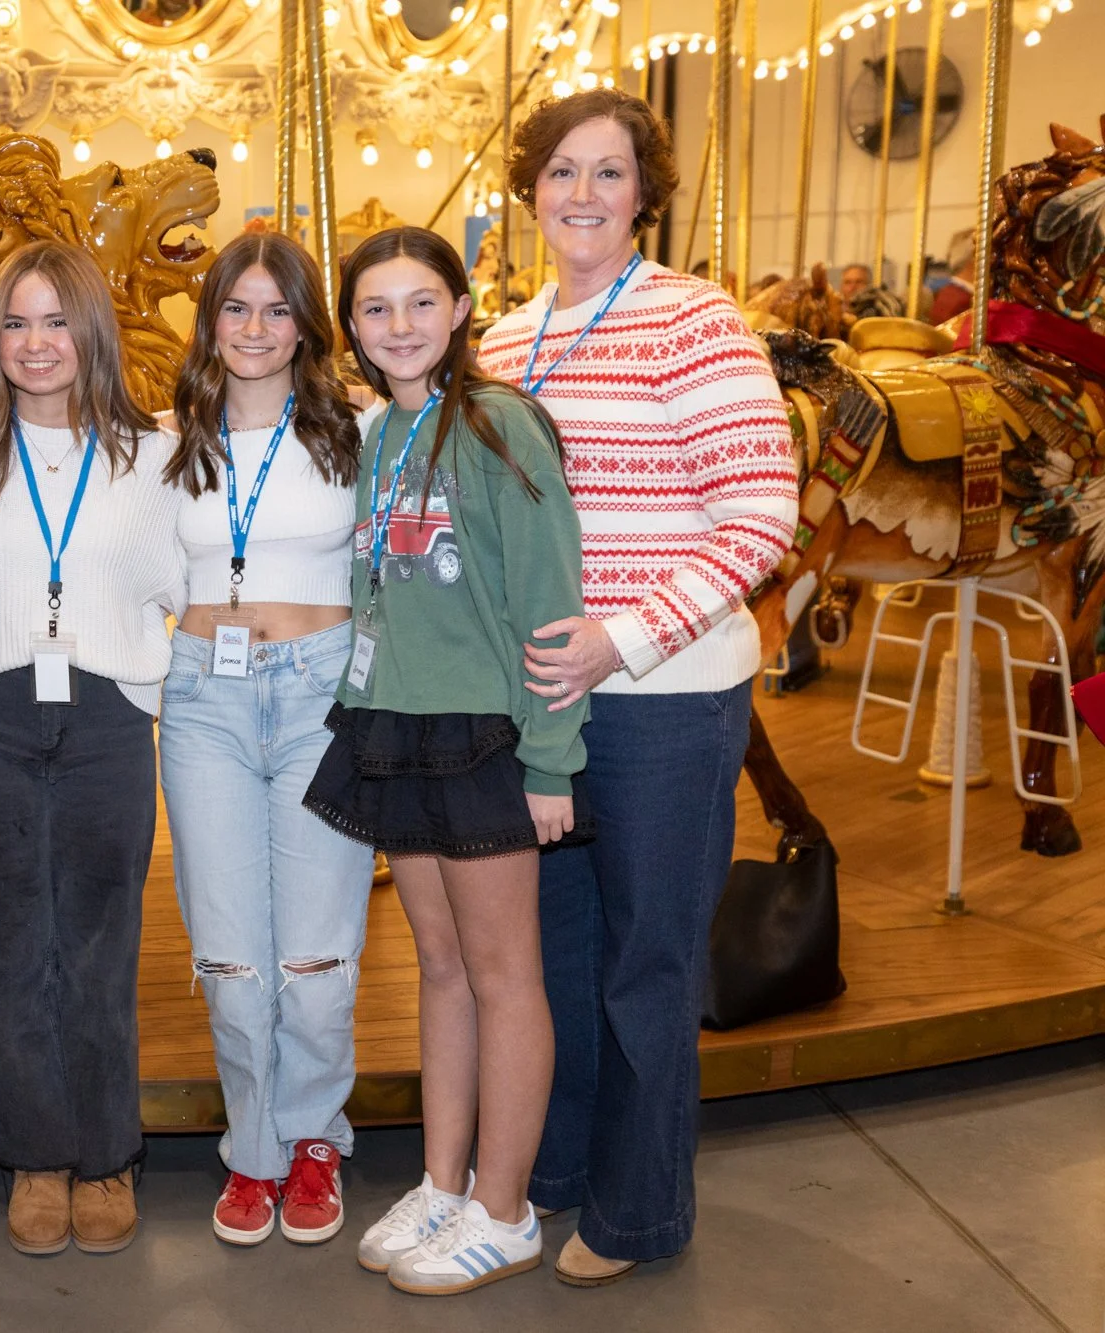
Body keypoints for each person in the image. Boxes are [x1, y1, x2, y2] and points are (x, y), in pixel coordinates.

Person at [478, 87, 799, 1286]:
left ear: (643, 194)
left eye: (606, 172)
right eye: (560, 170)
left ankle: (638, 1209)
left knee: (646, 960)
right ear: (529, 190)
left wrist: (624, 636)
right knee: (555, 955)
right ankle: (559, 1165)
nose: (581, 193)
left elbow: (758, 513)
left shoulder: (694, 319)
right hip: (540, 705)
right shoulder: (502, 340)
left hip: (662, 697)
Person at [303, 227, 587, 1297]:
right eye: (374, 309)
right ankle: (442, 1180)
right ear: (352, 325)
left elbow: (550, 601)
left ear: (461, 308)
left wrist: (550, 761)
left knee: (505, 973)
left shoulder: (500, 423)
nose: (399, 326)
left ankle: (505, 1209)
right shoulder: (381, 431)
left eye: (420, 302)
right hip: (396, 725)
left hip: (484, 734)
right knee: (439, 966)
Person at [0, 239, 183, 1258]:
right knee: (8, 938)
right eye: (15, 321)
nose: (35, 343)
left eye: (55, 321)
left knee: (98, 939)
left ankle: (107, 1151)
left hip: (109, 710)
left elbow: (190, 585)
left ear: (92, 331)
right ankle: (34, 1153)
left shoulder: (157, 457)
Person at [157, 232, 373, 1248]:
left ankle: (314, 1134)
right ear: (208, 322)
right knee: (230, 954)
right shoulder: (167, 441)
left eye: (276, 308)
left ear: (304, 324)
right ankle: (253, 1146)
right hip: (204, 698)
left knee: (318, 952)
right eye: (235, 308)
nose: (254, 328)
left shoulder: (357, 428)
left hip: (321, 692)